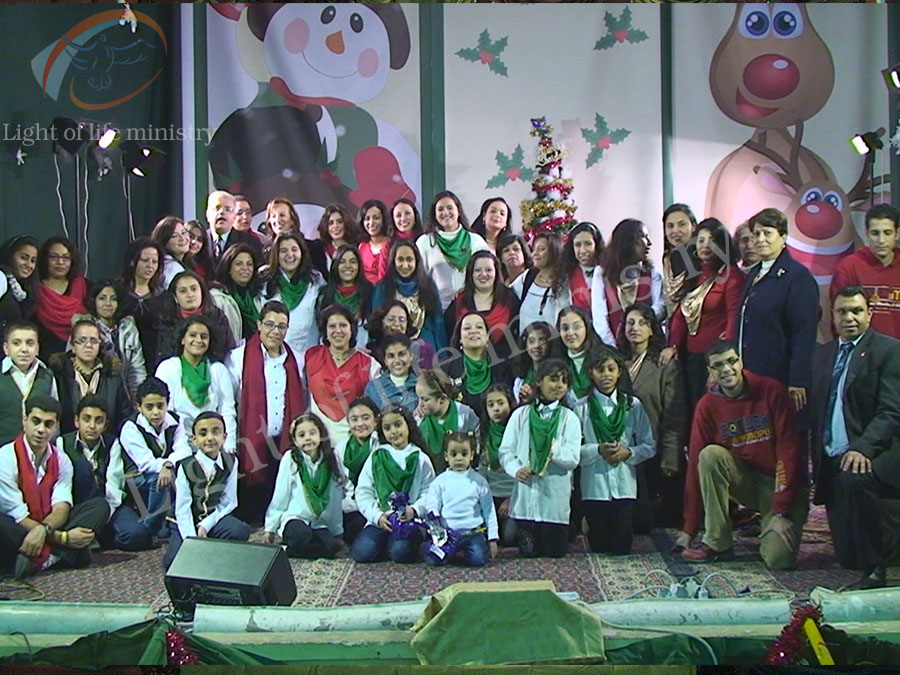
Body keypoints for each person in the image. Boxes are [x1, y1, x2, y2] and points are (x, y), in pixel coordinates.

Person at [679, 341, 808, 570]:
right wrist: (689, 529)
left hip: (780, 483)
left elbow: (788, 451)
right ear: (710, 372)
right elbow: (696, 464)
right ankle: (718, 543)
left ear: (741, 361)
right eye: (718, 365)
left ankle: (770, 528)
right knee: (710, 455)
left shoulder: (771, 390)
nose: (726, 369)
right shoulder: (707, 406)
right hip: (746, 481)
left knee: (778, 560)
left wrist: (781, 511)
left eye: (731, 361)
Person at [810, 286, 900, 589]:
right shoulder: (822, 355)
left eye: (856, 311)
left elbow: (891, 412)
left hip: (879, 452)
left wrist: (863, 449)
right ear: (833, 317)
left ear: (869, 314)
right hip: (833, 455)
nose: (849, 317)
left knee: (854, 476)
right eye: (842, 312)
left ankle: (875, 570)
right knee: (846, 556)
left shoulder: (889, 351)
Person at [0, 395, 110, 578]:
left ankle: (37, 557)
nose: (41, 430)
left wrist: (43, 530)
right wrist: (65, 539)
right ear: (25, 420)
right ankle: (62, 553)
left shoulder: (61, 459)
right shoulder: (5, 457)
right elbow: (18, 514)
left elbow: (61, 507)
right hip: (18, 525)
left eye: (48, 424)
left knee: (99, 506)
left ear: (56, 427)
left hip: (49, 524)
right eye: (36, 421)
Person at [225, 301, 306, 524]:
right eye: (270, 324)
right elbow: (230, 402)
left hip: (283, 440)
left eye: (281, 326)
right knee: (252, 510)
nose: (275, 331)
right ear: (259, 324)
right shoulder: (238, 357)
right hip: (250, 441)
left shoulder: (296, 359)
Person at [574, 346, 655, 554]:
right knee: (599, 547)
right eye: (600, 370)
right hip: (594, 487)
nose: (606, 375)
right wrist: (597, 450)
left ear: (619, 371)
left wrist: (629, 453)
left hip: (624, 485)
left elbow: (649, 445)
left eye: (611, 369)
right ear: (591, 373)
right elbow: (573, 451)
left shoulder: (632, 405)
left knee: (621, 547)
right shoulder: (581, 407)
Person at [738, 208, 818, 414]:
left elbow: (804, 332)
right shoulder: (753, 274)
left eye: (767, 233)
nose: (760, 239)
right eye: (756, 234)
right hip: (750, 374)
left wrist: (798, 379)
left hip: (780, 376)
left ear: (783, 237)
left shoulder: (797, 276)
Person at [498, 358, 581, 558]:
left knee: (555, 552)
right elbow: (506, 451)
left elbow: (573, 458)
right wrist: (516, 469)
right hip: (526, 498)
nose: (559, 385)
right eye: (553, 379)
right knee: (529, 552)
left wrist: (550, 447)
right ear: (539, 382)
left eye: (564, 381)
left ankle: (568, 529)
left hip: (554, 501)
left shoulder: (569, 418)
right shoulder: (520, 415)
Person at [661, 218, 744, 408]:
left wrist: (721, 364)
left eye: (711, 240)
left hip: (714, 359)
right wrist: (673, 345)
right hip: (690, 358)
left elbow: (733, 317)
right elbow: (681, 314)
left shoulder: (730, 275)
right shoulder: (694, 274)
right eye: (700, 240)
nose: (705, 245)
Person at [619, 303, 688, 529]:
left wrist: (671, 458)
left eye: (642, 323)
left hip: (653, 454)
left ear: (652, 330)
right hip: (621, 451)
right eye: (630, 323)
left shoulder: (665, 365)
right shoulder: (616, 363)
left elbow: (674, 417)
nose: (635, 328)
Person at [106, 377, 191, 549]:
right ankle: (150, 529)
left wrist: (168, 465)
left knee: (189, 468)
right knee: (158, 480)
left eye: (160, 406)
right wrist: (166, 466)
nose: (156, 412)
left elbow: (184, 450)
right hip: (136, 478)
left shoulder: (175, 420)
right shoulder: (130, 427)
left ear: (167, 404)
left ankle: (180, 520)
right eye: (149, 407)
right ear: (139, 407)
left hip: (165, 471)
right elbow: (145, 462)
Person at [163, 411, 250, 569]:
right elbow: (182, 509)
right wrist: (193, 540)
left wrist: (206, 525)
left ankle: (212, 552)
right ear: (194, 439)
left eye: (216, 432)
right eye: (203, 434)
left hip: (212, 517)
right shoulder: (186, 466)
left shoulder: (231, 461)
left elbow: (229, 502)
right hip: (185, 520)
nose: (210, 438)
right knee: (174, 563)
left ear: (224, 436)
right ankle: (202, 548)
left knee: (239, 530)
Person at [350, 405, 436, 563]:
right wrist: (377, 517)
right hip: (381, 519)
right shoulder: (376, 456)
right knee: (362, 553)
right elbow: (363, 492)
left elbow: (429, 492)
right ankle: (385, 543)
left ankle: (398, 544)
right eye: (387, 428)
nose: (394, 431)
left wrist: (414, 510)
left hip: (408, 521)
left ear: (408, 425)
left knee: (400, 553)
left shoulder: (421, 458)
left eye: (398, 425)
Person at [263, 413, 345, 559]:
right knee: (301, 535)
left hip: (319, 522)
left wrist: (337, 531)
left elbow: (335, 499)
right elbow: (280, 495)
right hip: (295, 518)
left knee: (332, 547)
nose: (308, 438)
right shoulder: (291, 458)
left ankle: (289, 550)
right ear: (295, 440)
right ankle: (291, 546)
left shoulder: (332, 459)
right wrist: (270, 528)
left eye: (312, 433)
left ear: (321, 435)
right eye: (301, 435)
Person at [154, 317, 238, 453]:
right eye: (193, 335)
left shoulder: (218, 370)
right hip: (178, 445)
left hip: (213, 445)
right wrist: (179, 450)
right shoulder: (168, 368)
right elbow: (166, 413)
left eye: (204, 337)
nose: (198, 340)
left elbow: (227, 411)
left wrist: (228, 449)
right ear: (182, 339)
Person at [303, 304, 381, 446]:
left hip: (356, 443)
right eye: (332, 326)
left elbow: (378, 405)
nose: (338, 330)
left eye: (343, 325)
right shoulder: (311, 357)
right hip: (317, 442)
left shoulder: (369, 364)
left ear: (352, 329)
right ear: (325, 331)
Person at [424, 431, 499, 567]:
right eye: (454, 454)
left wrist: (492, 538)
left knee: (478, 560)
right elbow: (432, 503)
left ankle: (462, 552)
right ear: (446, 456)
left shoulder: (479, 481)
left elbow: (489, 510)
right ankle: (451, 552)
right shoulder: (440, 481)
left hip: (473, 533)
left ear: (471, 455)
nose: (459, 459)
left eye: (464, 454)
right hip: (447, 534)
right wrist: (434, 517)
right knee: (433, 560)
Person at [142, 270, 237, 372]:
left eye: (194, 289)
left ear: (202, 291)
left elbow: (230, 352)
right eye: (183, 291)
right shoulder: (166, 322)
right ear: (175, 297)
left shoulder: (218, 318)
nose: (190, 294)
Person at [49, 318, 132, 435]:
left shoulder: (113, 375)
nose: (88, 345)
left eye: (94, 341)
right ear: (72, 345)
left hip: (106, 441)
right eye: (82, 340)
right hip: (67, 440)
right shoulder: (59, 375)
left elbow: (125, 415)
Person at [591, 219, 664, 347]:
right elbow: (600, 317)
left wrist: (641, 320)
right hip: (613, 347)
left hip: (648, 347)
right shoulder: (601, 273)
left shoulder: (652, 273)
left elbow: (660, 306)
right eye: (643, 237)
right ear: (628, 242)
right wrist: (613, 347)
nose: (649, 243)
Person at [831, 204, 900, 340]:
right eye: (875, 233)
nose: (881, 240)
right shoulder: (849, 267)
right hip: (861, 350)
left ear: (897, 234)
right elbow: (839, 317)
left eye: (887, 233)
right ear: (867, 233)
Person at [417, 191, 490, 309]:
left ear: (459, 211)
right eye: (440, 209)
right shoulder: (424, 242)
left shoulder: (475, 240)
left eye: (450, 208)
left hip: (471, 308)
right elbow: (419, 279)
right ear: (434, 214)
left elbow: (489, 274)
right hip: (436, 309)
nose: (445, 212)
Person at [443, 250, 520, 358]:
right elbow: (449, 335)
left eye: (488, 270)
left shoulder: (510, 299)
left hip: (504, 362)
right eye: (478, 270)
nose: (483, 274)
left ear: (496, 272)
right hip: (466, 363)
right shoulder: (459, 302)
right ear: (471, 274)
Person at [371, 242, 446, 351]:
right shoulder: (383, 288)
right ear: (393, 261)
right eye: (400, 260)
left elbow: (438, 323)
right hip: (391, 347)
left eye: (409, 260)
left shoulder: (428, 286)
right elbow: (376, 324)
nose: (405, 265)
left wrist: (442, 355)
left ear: (416, 261)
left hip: (425, 346)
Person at [83, 279, 147, 404]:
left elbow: (137, 369)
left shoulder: (128, 329)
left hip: (126, 396)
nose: (108, 303)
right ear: (93, 301)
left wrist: (139, 401)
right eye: (102, 298)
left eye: (113, 299)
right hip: (97, 396)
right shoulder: (84, 329)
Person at [262, 232, 325, 356]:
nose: (290, 255)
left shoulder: (315, 280)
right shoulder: (265, 279)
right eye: (283, 251)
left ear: (302, 252)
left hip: (306, 353)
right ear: (276, 254)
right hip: (271, 354)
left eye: (294, 249)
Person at [0, 320, 58, 446]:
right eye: (16, 343)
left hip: (38, 451)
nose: (24, 349)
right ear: (6, 348)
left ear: (37, 348)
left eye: (30, 343)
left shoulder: (47, 376)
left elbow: (55, 416)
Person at [441, 313, 514, 411]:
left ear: (487, 336)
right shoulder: (445, 369)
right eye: (467, 328)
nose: (473, 331)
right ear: (460, 338)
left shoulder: (505, 365)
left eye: (479, 327)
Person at [334, 397, 379, 545]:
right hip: (349, 505)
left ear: (375, 421)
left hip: (374, 505)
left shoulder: (380, 446)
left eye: (365, 418)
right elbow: (338, 484)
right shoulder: (341, 448)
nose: (360, 424)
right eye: (354, 419)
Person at [35, 236, 88, 360]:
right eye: (54, 257)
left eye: (66, 258)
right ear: (44, 259)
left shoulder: (84, 286)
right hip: (43, 359)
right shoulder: (34, 289)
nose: (60, 262)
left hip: (79, 360)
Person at [415, 369, 479, 471]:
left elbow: (478, 446)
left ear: (442, 399)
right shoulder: (418, 419)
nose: (420, 404)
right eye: (419, 398)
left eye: (425, 399)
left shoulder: (465, 414)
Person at [478, 384, 517, 547]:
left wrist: (511, 499)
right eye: (491, 405)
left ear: (510, 404)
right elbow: (481, 469)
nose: (496, 409)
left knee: (509, 538)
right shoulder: (483, 431)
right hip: (491, 494)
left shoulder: (519, 430)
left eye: (501, 403)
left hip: (514, 494)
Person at [60, 395, 113, 509]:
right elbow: (62, 485)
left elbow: (114, 487)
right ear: (77, 421)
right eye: (86, 419)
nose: (92, 426)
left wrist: (108, 512)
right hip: (76, 507)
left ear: (105, 425)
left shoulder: (113, 444)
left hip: (108, 506)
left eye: (99, 421)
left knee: (133, 522)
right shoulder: (62, 443)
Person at [511, 232, 571, 331]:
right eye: (534, 249)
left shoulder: (565, 283)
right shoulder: (528, 277)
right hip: (526, 340)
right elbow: (507, 295)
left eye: (541, 249)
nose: (534, 254)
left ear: (554, 251)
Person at [317, 245, 373, 349]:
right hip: (329, 353)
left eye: (353, 262)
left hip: (362, 353)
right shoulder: (324, 294)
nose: (348, 266)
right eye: (342, 262)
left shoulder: (370, 292)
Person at [264, 197, 328, 278]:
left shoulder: (314, 248)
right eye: (273, 216)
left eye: (282, 215)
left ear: (292, 220)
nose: (277, 220)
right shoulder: (267, 252)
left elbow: (324, 279)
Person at [552, 306, 605, 402]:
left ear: (587, 327)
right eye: (565, 328)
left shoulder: (605, 358)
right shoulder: (555, 363)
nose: (570, 333)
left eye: (576, 327)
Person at [368, 300, 436, 373]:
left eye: (402, 320)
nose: (397, 324)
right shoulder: (371, 352)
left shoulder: (422, 348)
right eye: (391, 319)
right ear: (380, 322)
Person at [215, 244, 265, 342]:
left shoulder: (258, 296)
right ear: (228, 268)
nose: (245, 268)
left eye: (249, 264)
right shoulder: (218, 298)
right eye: (238, 264)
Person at [661, 203, 699, 318]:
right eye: (670, 226)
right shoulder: (668, 258)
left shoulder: (701, 255)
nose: (675, 231)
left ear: (693, 226)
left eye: (682, 224)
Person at [205, 190, 263, 264]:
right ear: (208, 214)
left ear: (234, 216)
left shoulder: (250, 243)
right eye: (217, 208)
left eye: (227, 209)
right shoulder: (200, 240)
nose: (221, 212)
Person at [364, 334, 418, 412]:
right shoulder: (373, 388)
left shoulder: (422, 384)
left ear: (411, 356)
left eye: (401, 354)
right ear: (385, 361)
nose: (397, 360)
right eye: (391, 356)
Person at [0, 235, 39, 336]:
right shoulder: (1, 277)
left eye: (33, 261)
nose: (29, 265)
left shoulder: (26, 290)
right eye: (23, 258)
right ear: (10, 256)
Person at [561, 222, 604, 313]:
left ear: (596, 245)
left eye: (588, 244)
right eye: (577, 245)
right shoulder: (566, 276)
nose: (583, 250)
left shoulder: (608, 271)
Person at [512, 321, 552, 405]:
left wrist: (533, 398)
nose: (536, 346)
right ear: (525, 346)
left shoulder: (555, 373)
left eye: (542, 341)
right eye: (531, 341)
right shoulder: (521, 377)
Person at [151, 216, 192, 291]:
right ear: (164, 241)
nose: (182, 238)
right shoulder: (172, 268)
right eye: (174, 236)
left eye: (183, 233)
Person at [120, 237, 165, 305]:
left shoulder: (162, 296)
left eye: (154, 262)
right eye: (145, 260)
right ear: (132, 261)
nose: (150, 266)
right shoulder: (117, 291)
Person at [358, 199, 393, 285]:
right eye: (367, 219)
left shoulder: (391, 245)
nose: (371, 222)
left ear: (383, 220)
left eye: (376, 218)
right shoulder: (362, 247)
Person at [317, 203, 362, 270]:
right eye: (331, 223)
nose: (335, 226)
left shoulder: (359, 247)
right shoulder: (321, 251)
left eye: (340, 222)